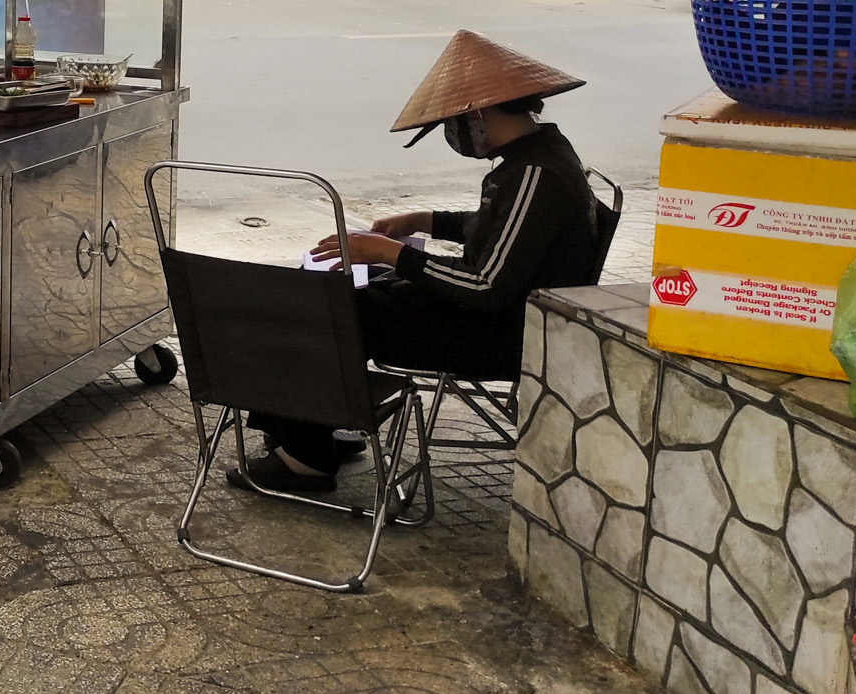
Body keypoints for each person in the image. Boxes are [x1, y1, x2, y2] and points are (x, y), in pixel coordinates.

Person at [233, 31, 598, 494]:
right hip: (497, 316)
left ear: (478, 113)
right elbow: (506, 230)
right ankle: (317, 422)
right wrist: (423, 221)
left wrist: (393, 253)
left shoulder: (535, 175)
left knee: (333, 312)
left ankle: (305, 458)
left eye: (456, 122)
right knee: (349, 290)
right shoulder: (537, 157)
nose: (457, 134)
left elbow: (487, 286)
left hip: (500, 334)